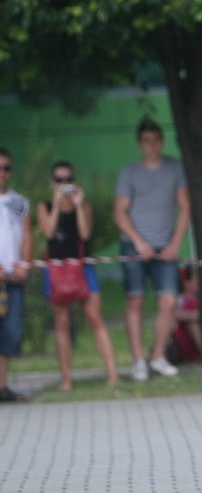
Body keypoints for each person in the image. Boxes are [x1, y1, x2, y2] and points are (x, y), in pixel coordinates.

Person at [114, 117, 191, 381]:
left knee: (168, 301)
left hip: (165, 246)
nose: (152, 145)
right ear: (140, 144)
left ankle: (157, 355)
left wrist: (175, 243)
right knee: (135, 300)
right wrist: (138, 241)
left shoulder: (174, 168)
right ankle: (138, 361)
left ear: (162, 141)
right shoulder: (130, 172)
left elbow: (184, 207)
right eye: (147, 141)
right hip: (135, 246)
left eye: (156, 140)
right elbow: (120, 213)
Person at [37, 161, 120, 390]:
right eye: (59, 180)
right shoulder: (44, 206)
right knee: (62, 322)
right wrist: (56, 205)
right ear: (52, 182)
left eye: (68, 179)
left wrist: (78, 204)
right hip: (56, 269)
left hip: (83, 267)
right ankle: (66, 379)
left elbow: (84, 233)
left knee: (95, 316)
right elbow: (48, 232)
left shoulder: (84, 206)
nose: (64, 184)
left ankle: (113, 374)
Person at [0, 148, 31, 403]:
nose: (2, 173)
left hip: (13, 277)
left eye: (6, 168)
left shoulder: (19, 202)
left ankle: (2, 386)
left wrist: (24, 265)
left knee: (9, 332)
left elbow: (27, 236)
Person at [167, 265, 202, 364]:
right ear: (186, 283)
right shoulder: (186, 302)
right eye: (197, 280)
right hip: (181, 345)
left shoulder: (176, 300)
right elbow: (175, 315)